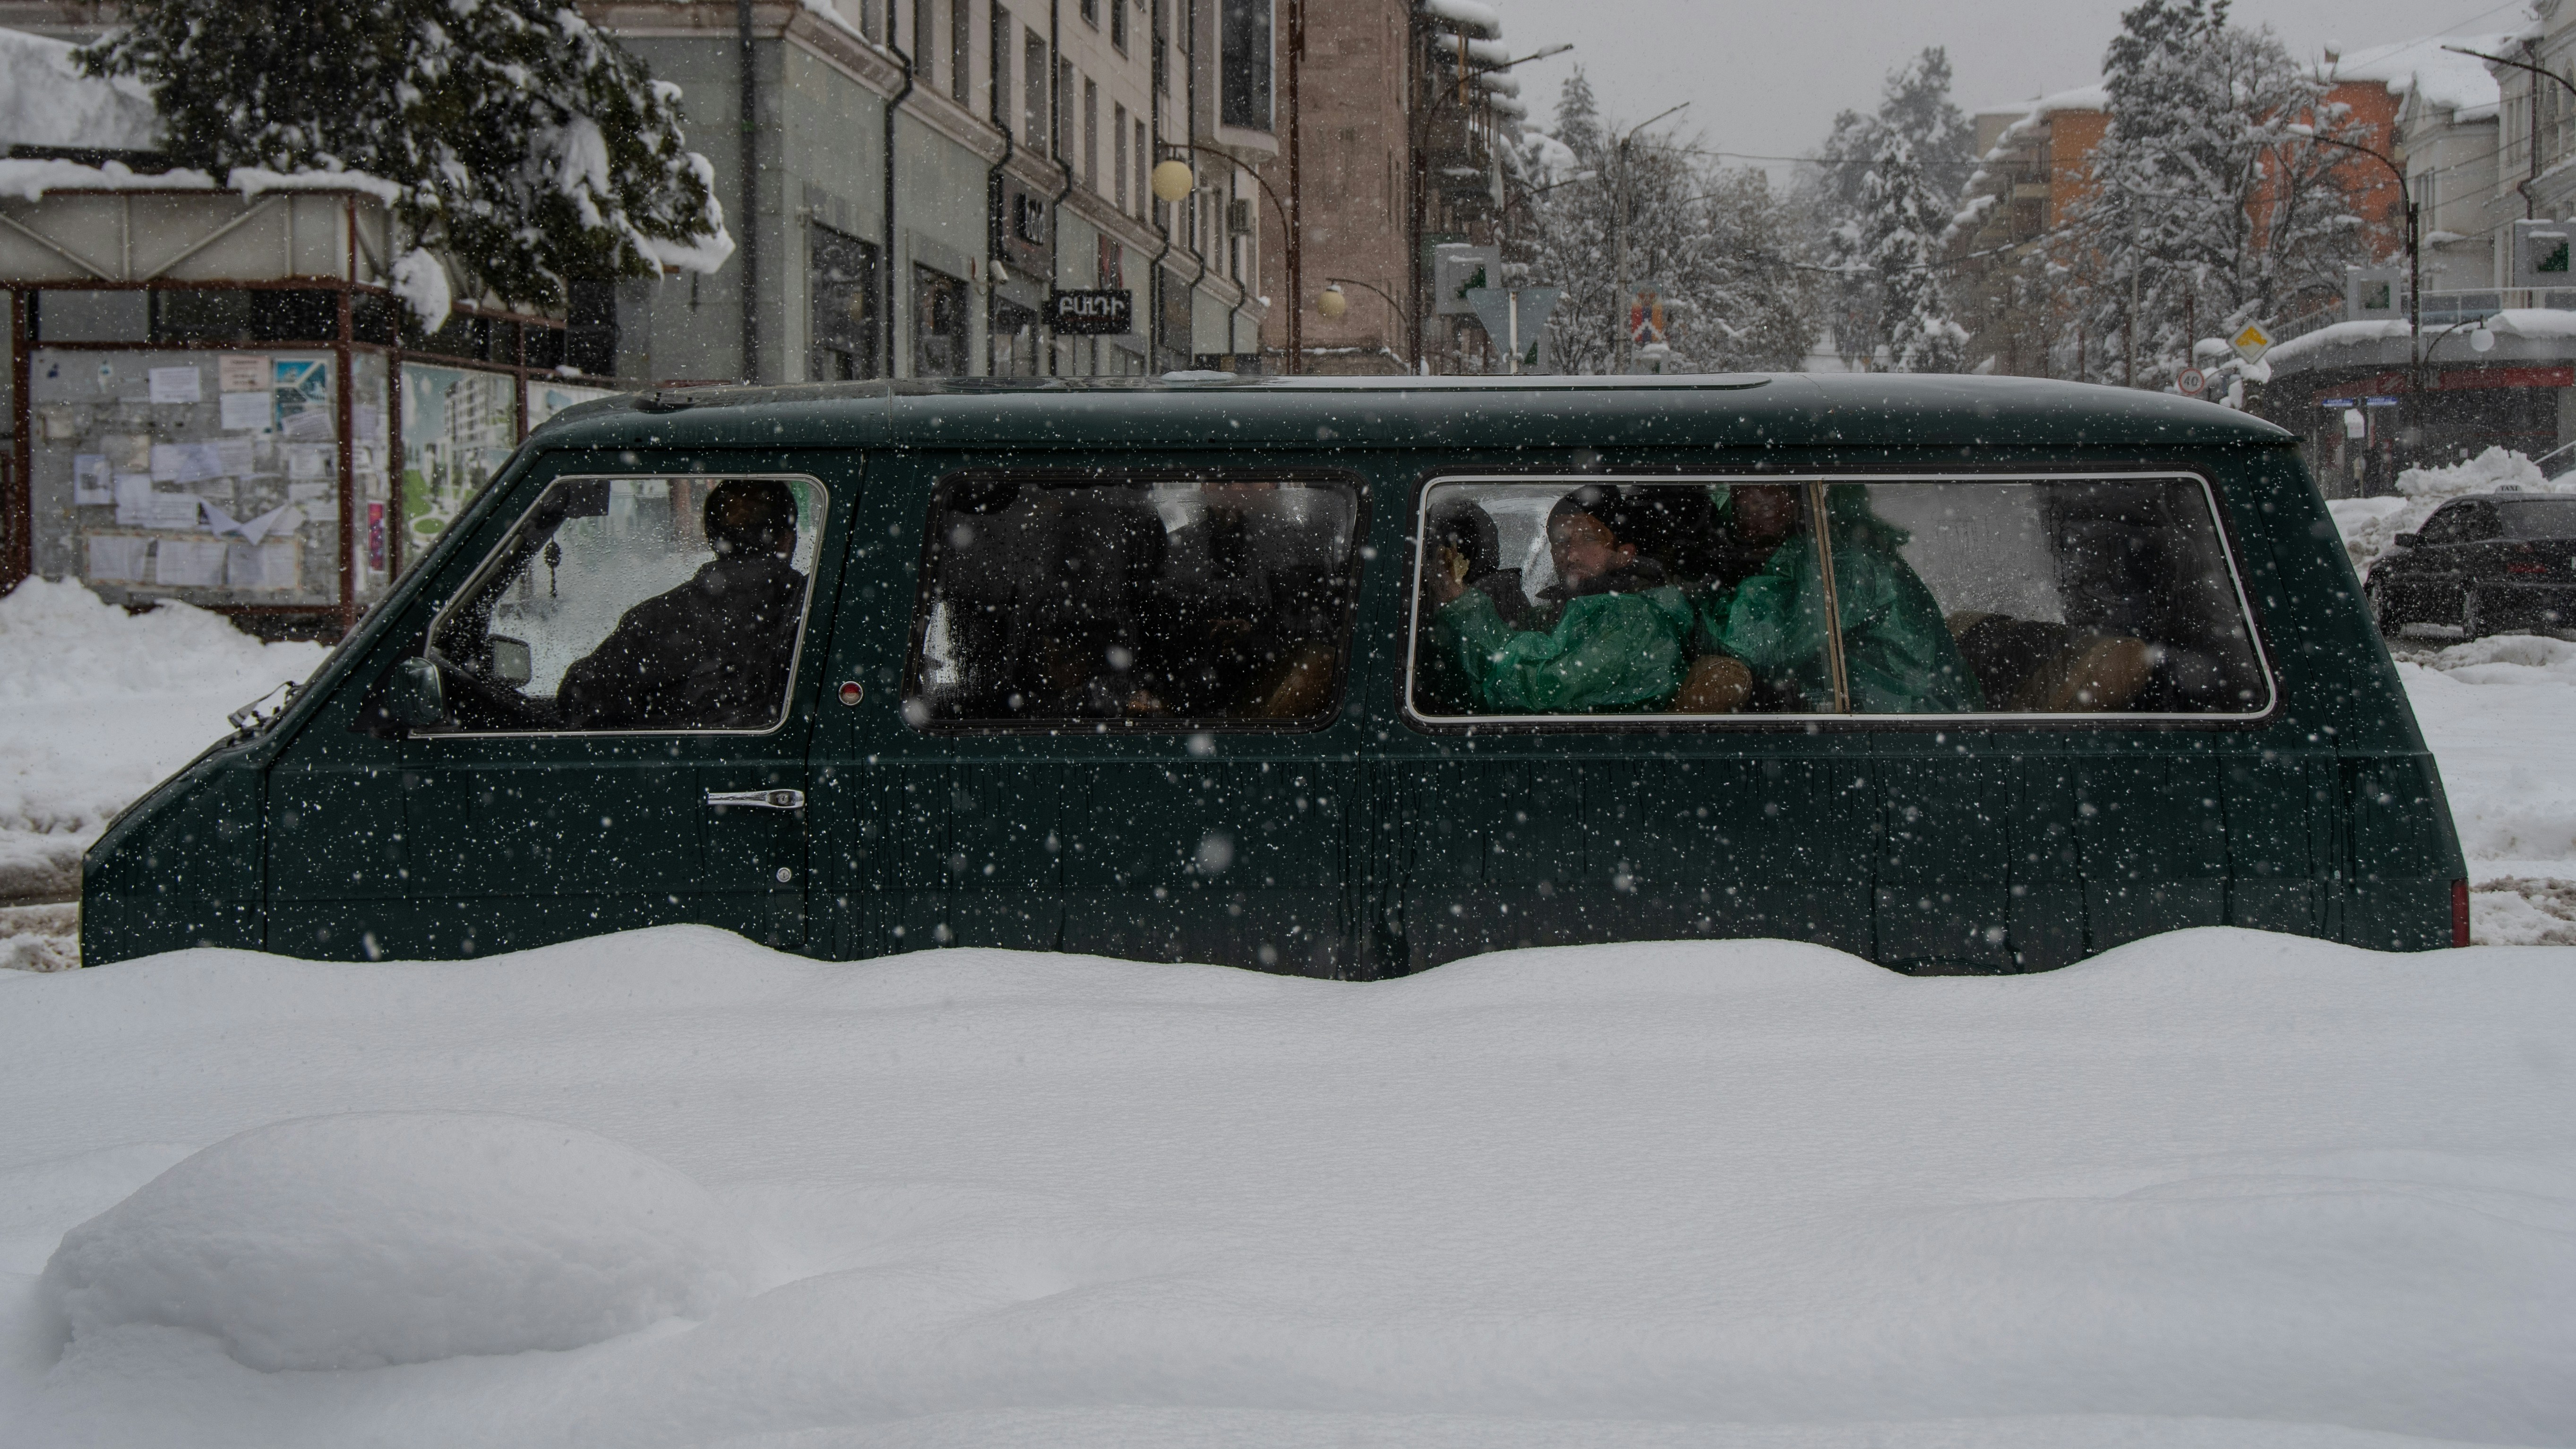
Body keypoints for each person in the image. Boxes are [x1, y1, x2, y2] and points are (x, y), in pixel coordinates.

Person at [1700, 483, 1984, 714]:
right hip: (1889, 717)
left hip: (1906, 726)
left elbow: (1761, 647)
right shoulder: (1819, 549)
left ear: (1795, 498)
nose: (1742, 511)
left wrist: (1685, 606)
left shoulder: (1843, 564)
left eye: (1758, 500)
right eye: (1738, 501)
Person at [556, 479, 809, 729]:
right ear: (786, 540)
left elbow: (580, 697)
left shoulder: (654, 622)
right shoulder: (817, 615)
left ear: (712, 538)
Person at [1424, 486, 1694, 714]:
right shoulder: (1571, 610)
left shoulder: (1630, 615)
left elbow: (1540, 688)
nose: (1572, 554)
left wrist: (1465, 608)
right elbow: (1523, 640)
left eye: (1588, 538)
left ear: (1624, 554)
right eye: (1560, 542)